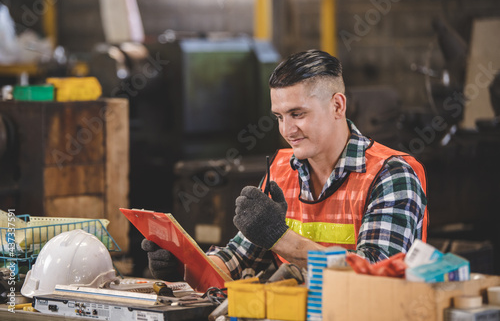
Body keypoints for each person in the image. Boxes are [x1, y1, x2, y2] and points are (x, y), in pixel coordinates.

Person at [142, 49, 428, 281]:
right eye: (279, 117)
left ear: (338, 106)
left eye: (297, 113)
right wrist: (185, 266)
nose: (287, 130)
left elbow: (376, 277)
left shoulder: (391, 174)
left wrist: (280, 238)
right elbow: (237, 260)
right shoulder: (280, 170)